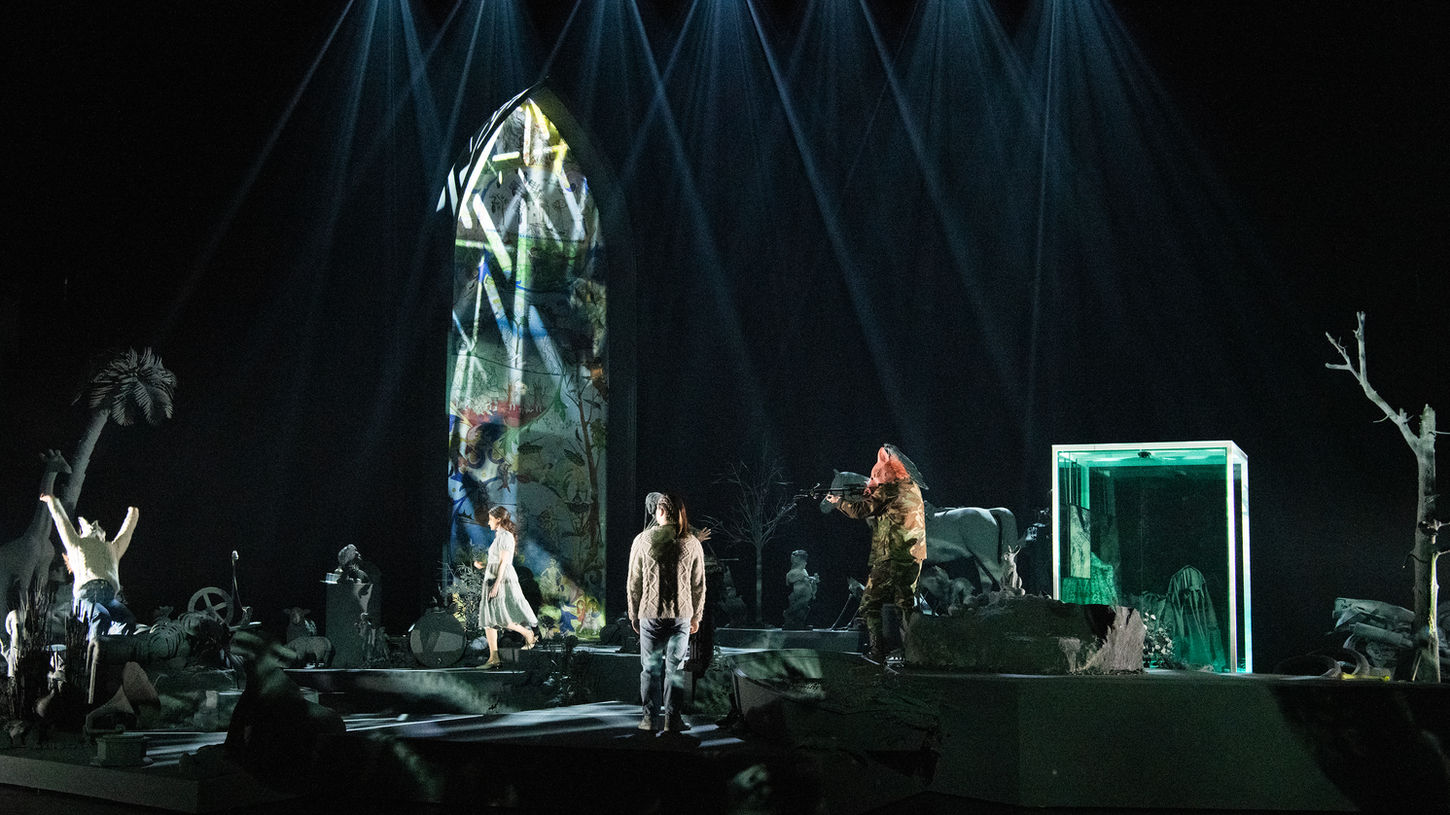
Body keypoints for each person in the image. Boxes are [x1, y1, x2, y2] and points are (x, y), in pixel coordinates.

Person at [826, 446, 927, 662]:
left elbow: (861, 511)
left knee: (869, 604)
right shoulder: (911, 488)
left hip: (892, 555)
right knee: (906, 605)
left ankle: (877, 651)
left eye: (876, 475)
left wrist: (838, 502)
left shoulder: (889, 489)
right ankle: (915, 653)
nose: (874, 480)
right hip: (914, 555)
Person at [627, 491, 706, 732]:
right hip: (681, 616)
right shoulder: (692, 543)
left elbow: (634, 582)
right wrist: (697, 615)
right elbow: (698, 584)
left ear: (660, 511)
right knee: (675, 670)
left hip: (650, 615)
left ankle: (649, 719)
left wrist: (633, 613)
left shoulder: (642, 540)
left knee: (650, 670)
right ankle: (673, 719)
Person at [39, 493, 139, 641]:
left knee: (127, 619)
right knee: (101, 615)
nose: (94, 530)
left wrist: (133, 513)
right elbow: (63, 523)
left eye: (97, 529)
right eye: (91, 529)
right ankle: (95, 649)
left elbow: (126, 533)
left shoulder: (112, 548)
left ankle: (116, 647)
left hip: (109, 596)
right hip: (87, 595)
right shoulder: (77, 544)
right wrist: (52, 501)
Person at [473, 506, 537, 668]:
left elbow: (504, 563)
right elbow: (497, 561)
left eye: (490, 519)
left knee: (499, 616)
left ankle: (527, 633)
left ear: (498, 519)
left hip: (500, 580)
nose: (488, 522)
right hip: (492, 577)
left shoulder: (506, 536)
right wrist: (483, 565)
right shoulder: (499, 536)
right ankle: (493, 658)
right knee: (489, 619)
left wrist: (496, 585)